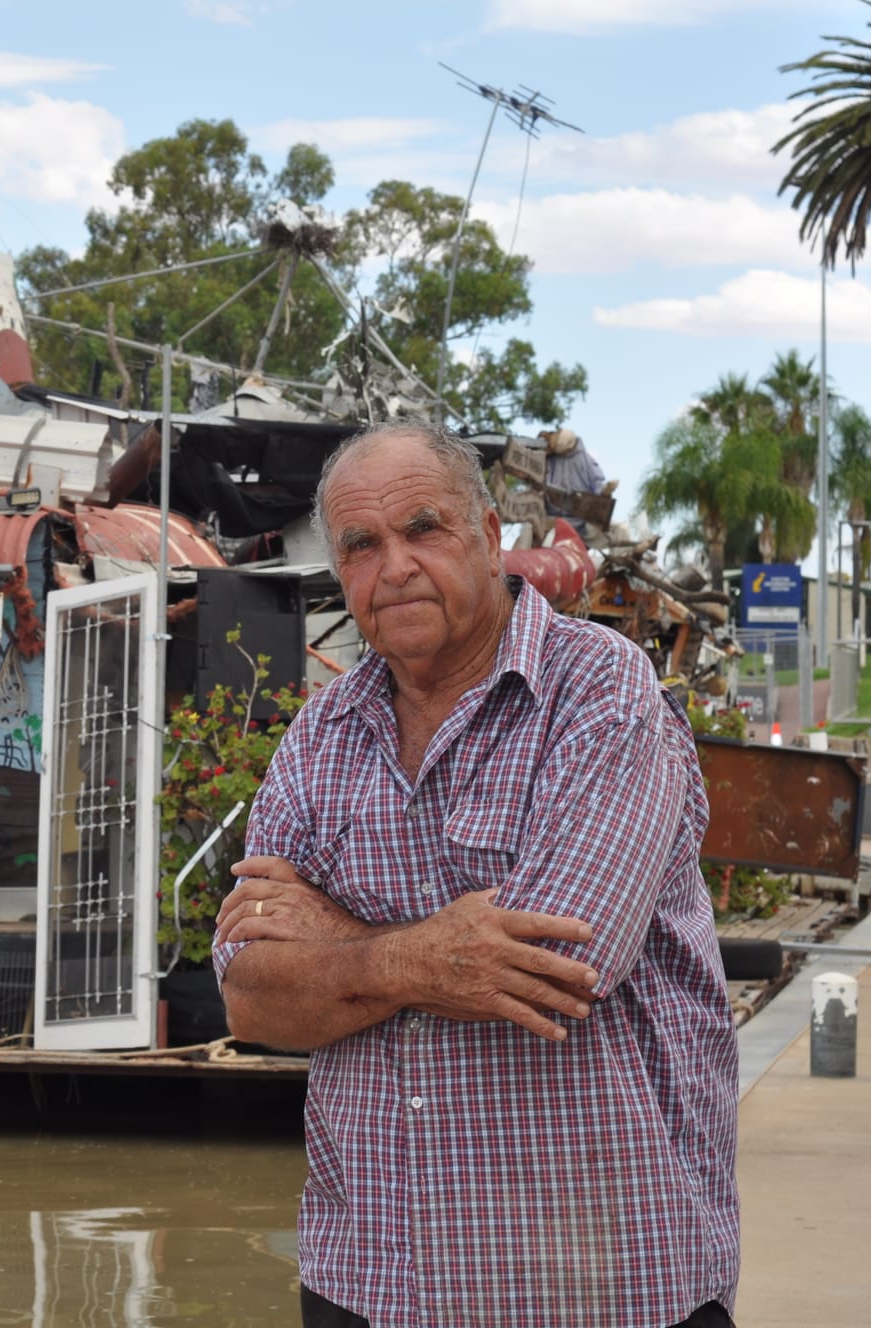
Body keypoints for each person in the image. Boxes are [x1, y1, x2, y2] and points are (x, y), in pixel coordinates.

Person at [213, 422, 738, 1328]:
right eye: (363, 545)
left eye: (425, 529)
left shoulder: (601, 691)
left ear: (492, 540)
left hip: (599, 1283)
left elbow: (562, 964)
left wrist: (338, 942)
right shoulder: (319, 738)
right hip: (370, 1281)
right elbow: (251, 1001)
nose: (397, 566)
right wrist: (426, 955)